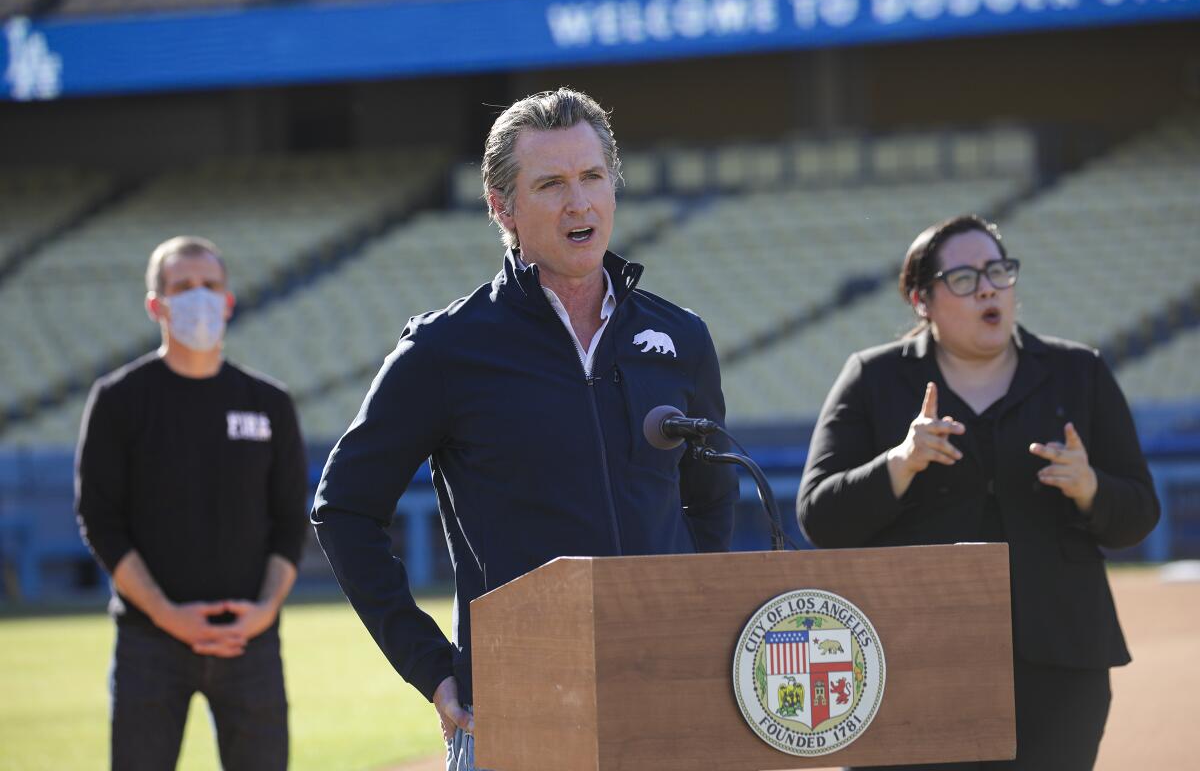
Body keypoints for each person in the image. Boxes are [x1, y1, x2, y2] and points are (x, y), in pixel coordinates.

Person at [311, 88, 739, 771]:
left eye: (593, 177)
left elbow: (712, 499)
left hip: (668, 702)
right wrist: (428, 664)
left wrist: (695, 614)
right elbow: (344, 508)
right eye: (551, 184)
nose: (580, 202)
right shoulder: (445, 348)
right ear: (501, 206)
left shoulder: (681, 337)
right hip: (519, 709)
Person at [797, 215, 1159, 770]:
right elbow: (819, 515)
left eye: (997, 271)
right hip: (910, 658)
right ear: (922, 300)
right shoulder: (873, 378)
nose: (988, 287)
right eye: (963, 278)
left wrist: (1090, 488)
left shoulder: (1078, 372)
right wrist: (900, 463)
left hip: (1060, 665)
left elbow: (1137, 514)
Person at [75, 236, 309, 771]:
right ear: (156, 304)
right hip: (149, 645)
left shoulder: (269, 403)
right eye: (182, 288)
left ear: (228, 300)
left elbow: (289, 520)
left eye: (210, 286)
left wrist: (264, 611)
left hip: (250, 641)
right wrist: (166, 614)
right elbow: (100, 522)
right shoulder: (117, 400)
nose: (198, 298)